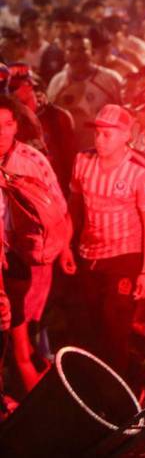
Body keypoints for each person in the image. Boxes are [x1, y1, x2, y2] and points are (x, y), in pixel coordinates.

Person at [69, 104, 145, 382]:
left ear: (125, 136)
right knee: (93, 324)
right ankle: (103, 382)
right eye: (97, 133)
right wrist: (65, 247)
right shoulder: (82, 161)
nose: (99, 140)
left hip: (125, 254)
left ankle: (117, 394)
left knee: (115, 322)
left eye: (107, 135)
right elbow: (74, 205)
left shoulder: (140, 170)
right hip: (89, 252)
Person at [0, 95, 75, 392]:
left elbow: (59, 212)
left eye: (7, 124)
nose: (1, 132)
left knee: (24, 335)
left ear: (17, 126)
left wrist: (64, 249)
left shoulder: (32, 161)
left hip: (27, 267)